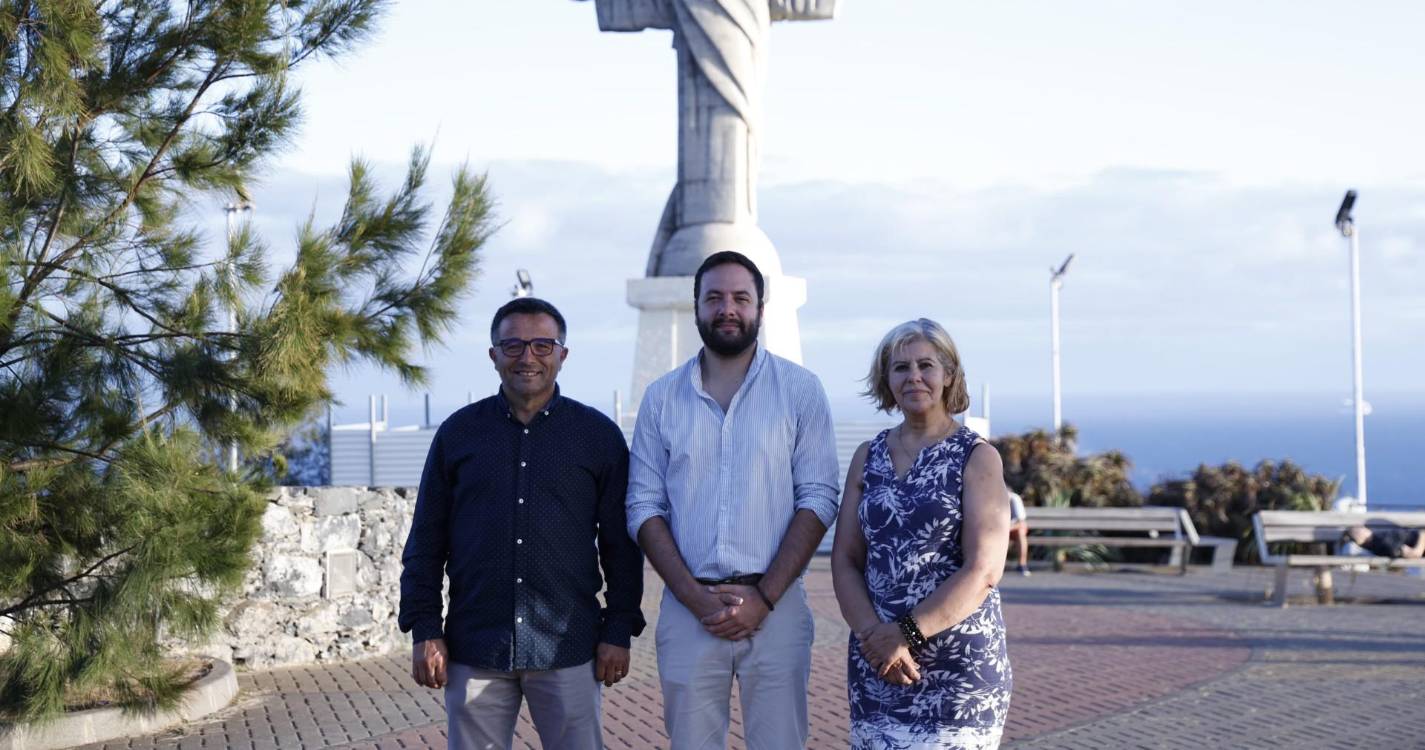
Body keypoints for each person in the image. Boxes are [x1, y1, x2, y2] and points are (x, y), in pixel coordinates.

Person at [398, 297, 645, 750]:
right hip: (476, 645)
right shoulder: (458, 435)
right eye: (512, 346)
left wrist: (618, 630)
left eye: (542, 345)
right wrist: (425, 630)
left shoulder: (598, 437)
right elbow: (426, 541)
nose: (527, 357)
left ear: (562, 354)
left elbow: (621, 548)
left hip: (568, 648)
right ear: (493, 355)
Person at [625, 250, 841, 749]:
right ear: (696, 306)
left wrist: (764, 597)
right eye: (715, 298)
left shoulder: (801, 391)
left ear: (760, 309)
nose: (728, 308)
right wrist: (695, 599)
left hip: (778, 607)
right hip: (687, 609)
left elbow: (819, 498)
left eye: (741, 298)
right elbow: (643, 507)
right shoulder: (660, 398)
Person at [831, 318, 1013, 750]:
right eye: (900, 368)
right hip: (877, 671)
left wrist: (904, 635)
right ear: (886, 379)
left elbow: (984, 569)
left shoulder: (977, 457)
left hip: (958, 675)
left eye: (926, 365)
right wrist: (874, 638)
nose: (914, 376)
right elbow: (845, 560)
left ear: (948, 375)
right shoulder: (867, 455)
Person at [1345, 525, 1424, 559]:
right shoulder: (1381, 542)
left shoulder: (1378, 540)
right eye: (1358, 531)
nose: (1362, 528)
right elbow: (1414, 553)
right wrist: (1418, 549)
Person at [1008, 491, 1031, 576]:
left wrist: (1006, 529)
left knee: (1021, 532)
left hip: (1010, 529)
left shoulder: (1014, 498)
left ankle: (1022, 564)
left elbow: (1021, 522)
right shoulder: (989, 497)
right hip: (995, 530)